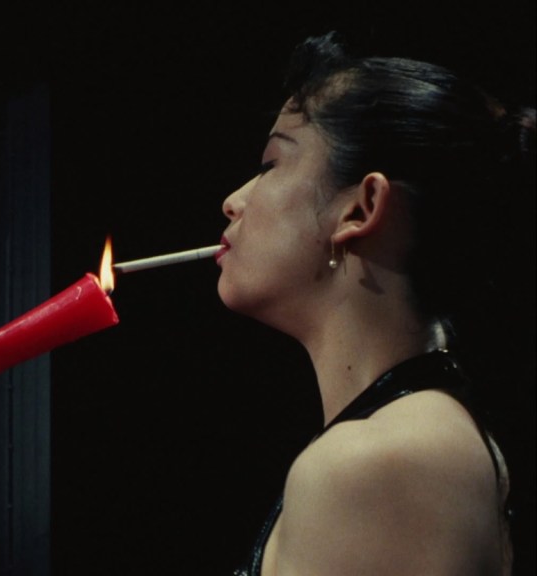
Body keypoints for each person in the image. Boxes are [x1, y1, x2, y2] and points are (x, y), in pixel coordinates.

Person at [217, 33, 534, 575]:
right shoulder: (417, 437)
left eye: (271, 166)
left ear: (361, 207)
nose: (234, 201)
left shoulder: (378, 461)